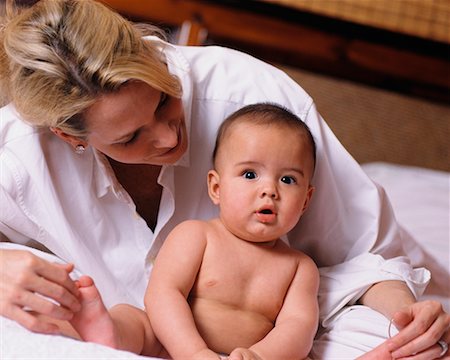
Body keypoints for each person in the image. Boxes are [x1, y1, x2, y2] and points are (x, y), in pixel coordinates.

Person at [0, 0, 448, 358]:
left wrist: (408, 322)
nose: (167, 136)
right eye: (130, 137)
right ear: (66, 135)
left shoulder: (251, 99)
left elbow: (367, 256)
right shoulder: (18, 156)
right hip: (146, 331)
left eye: (162, 101)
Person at [145, 103, 319, 359]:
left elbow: (298, 328)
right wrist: (193, 352)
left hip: (249, 357)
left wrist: (259, 355)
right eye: (250, 174)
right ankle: (104, 332)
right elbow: (162, 294)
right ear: (216, 188)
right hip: (172, 346)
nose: (269, 190)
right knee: (133, 322)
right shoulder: (196, 236)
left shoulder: (299, 268)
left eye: (287, 179)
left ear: (305, 200)